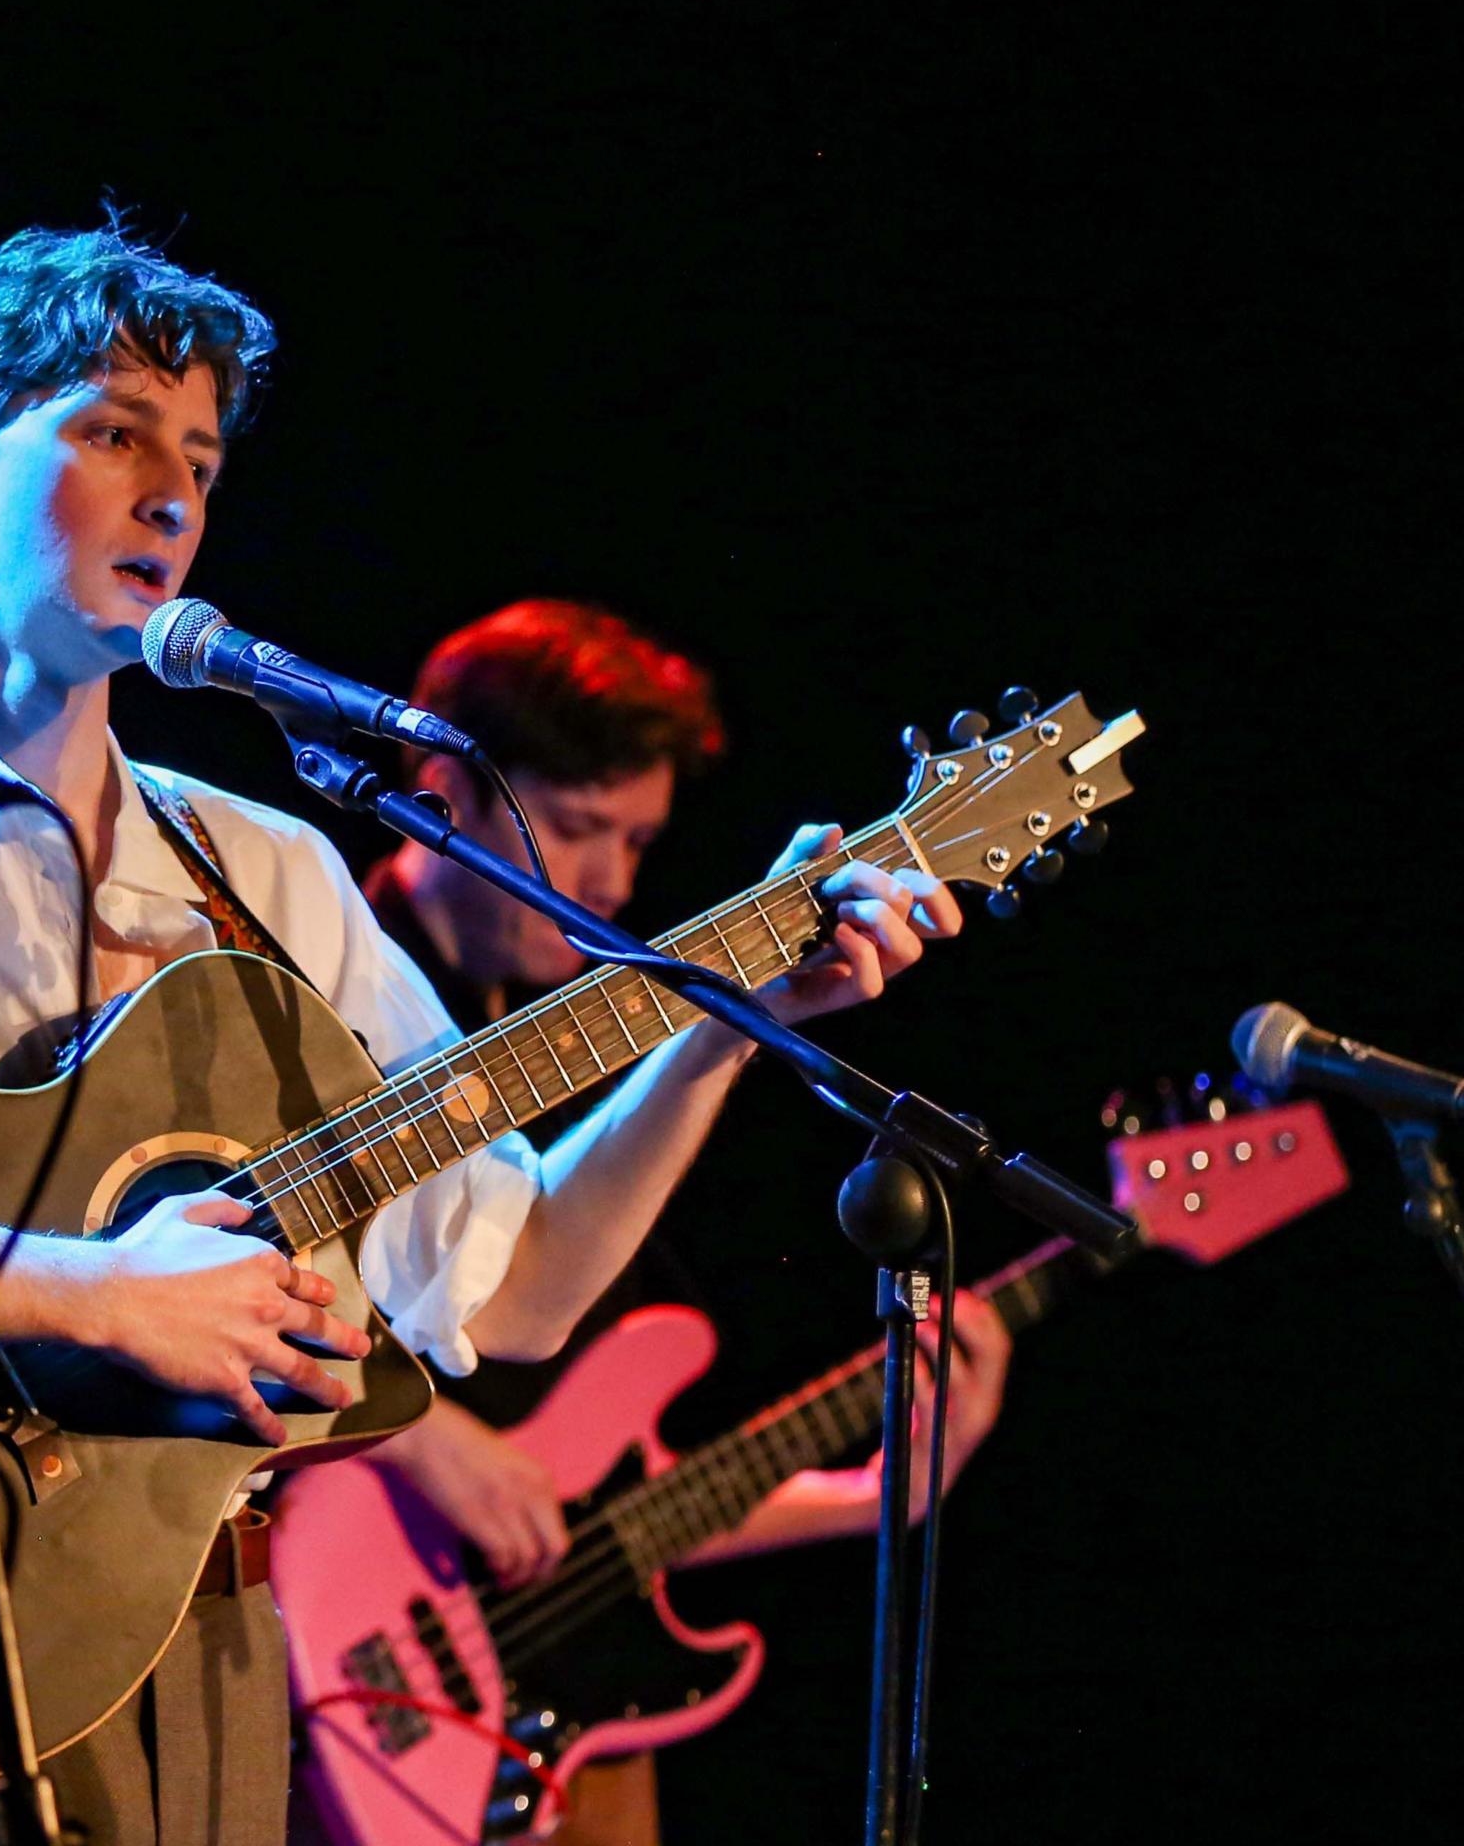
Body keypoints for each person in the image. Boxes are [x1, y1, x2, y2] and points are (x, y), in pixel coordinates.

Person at [0, 224, 961, 1846]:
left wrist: (729, 1023)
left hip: (204, 1650)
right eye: (111, 431)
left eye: (197, 459)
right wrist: (92, 1291)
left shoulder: (263, 866)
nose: (170, 497)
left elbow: (519, 1279)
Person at [351, 599, 1011, 1846]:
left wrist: (879, 1497)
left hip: (555, 1706)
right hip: (309, 1674)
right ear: (442, 792)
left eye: (638, 838)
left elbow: (603, 1509)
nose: (608, 884)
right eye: (577, 828)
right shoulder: (334, 979)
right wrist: (421, 1441)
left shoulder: (598, 1022)